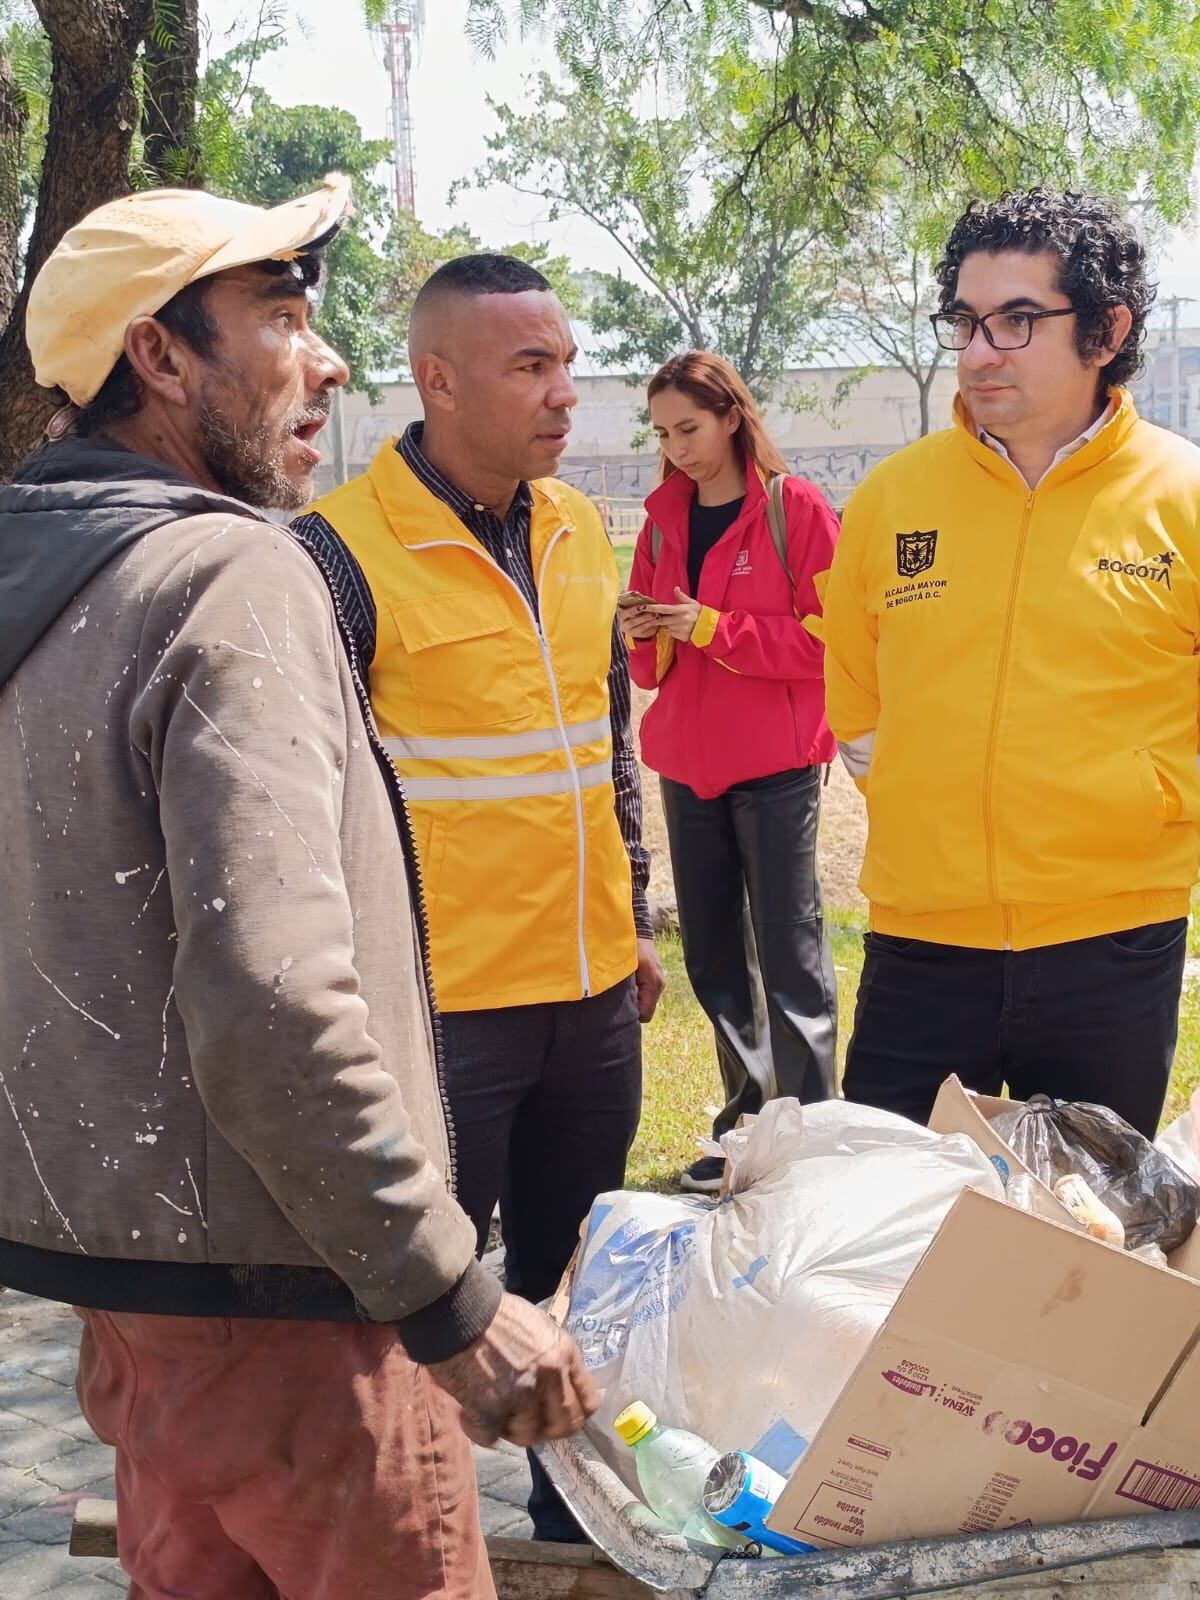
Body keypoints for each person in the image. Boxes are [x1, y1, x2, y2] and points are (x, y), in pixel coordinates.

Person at [0, 181, 597, 1600]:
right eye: (280, 318)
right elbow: (273, 1004)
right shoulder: (225, 575)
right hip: (304, 1325)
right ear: (160, 357)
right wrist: (452, 1301)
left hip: (137, 1314)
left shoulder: (42, 579)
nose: (327, 362)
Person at [295, 253, 663, 1542]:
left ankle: (580, 1540)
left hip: (591, 999)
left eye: (567, 362)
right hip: (443, 1011)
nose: (568, 393)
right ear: (436, 381)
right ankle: (408, 1544)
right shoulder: (335, 557)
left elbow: (606, 739)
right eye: (531, 367)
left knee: (581, 1293)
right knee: (425, 1309)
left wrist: (636, 918)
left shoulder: (581, 528)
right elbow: (309, 805)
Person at [822, 187, 1198, 1139]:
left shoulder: (1182, 497)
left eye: (1019, 320)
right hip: (920, 938)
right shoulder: (890, 501)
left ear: (1106, 328)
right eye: (966, 319)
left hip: (1110, 942)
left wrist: (1148, 801)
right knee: (894, 1225)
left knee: (1083, 1230)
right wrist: (926, 808)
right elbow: (856, 702)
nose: (980, 351)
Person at [621, 351, 839, 1194]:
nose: (678, 448)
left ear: (732, 418)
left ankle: (812, 1135)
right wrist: (648, 629)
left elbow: (831, 644)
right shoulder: (661, 523)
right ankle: (743, 1128)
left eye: (692, 428)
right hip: (689, 768)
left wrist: (711, 625)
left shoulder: (796, 509)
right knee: (714, 956)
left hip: (778, 766)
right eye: (665, 433)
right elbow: (647, 674)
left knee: (790, 950)